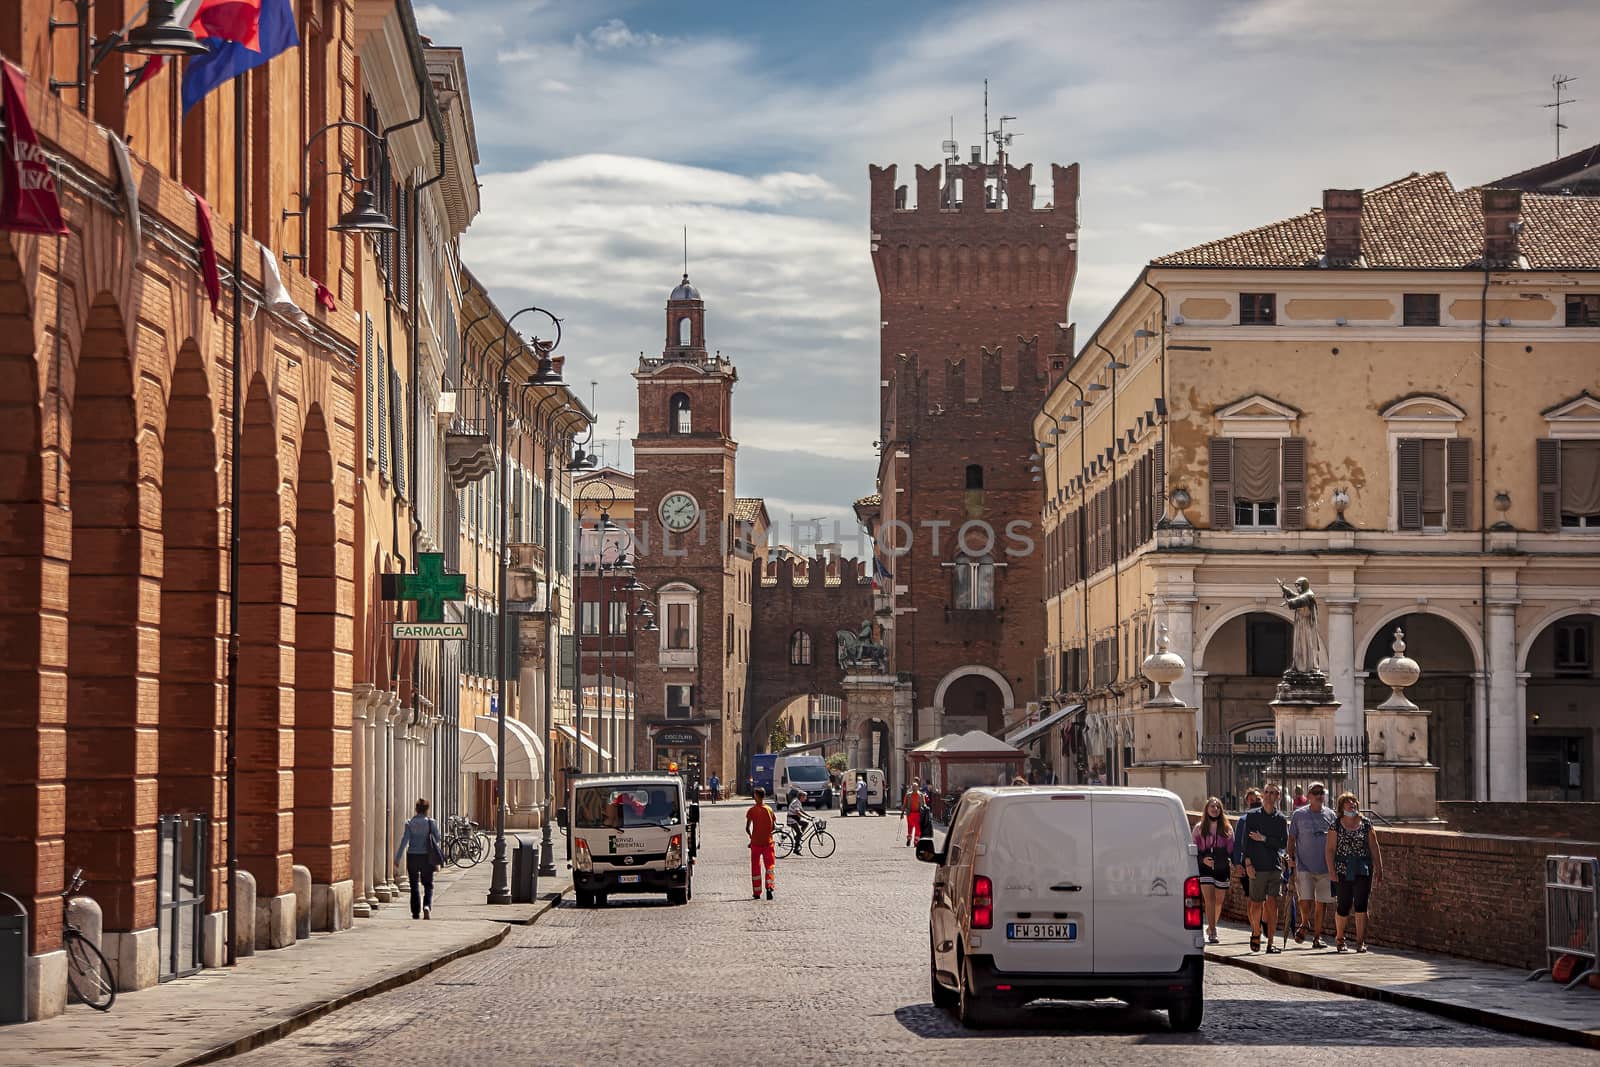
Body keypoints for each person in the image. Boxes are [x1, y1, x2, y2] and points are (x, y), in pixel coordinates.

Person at [1326, 791, 1382, 953]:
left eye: (1354, 802)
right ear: (1342, 807)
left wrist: (1379, 867)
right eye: (1348, 802)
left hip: (1362, 868)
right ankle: (1340, 939)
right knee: (1344, 904)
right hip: (1342, 869)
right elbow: (1330, 850)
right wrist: (1331, 871)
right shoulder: (1335, 825)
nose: (1352, 804)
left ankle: (1360, 942)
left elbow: (1373, 846)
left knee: (1361, 904)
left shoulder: (1366, 824)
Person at [1238, 782, 1289, 953]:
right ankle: (1256, 932)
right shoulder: (1252, 816)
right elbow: (1246, 842)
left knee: (1273, 904)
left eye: (1273, 793)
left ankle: (1270, 942)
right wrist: (1248, 863)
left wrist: (1265, 839)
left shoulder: (1281, 819)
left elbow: (1283, 843)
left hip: (1274, 866)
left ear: (1278, 797)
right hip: (1257, 866)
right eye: (1266, 792)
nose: (1268, 795)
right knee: (1256, 903)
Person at [1287, 781, 1336, 948]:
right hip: (1304, 865)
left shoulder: (1330, 815)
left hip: (1325, 866)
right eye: (1316, 793)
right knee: (1305, 901)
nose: (1319, 795)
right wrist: (1290, 857)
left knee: (1321, 903)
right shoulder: (1298, 815)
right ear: (1308, 796)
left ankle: (1317, 937)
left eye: (1321, 792)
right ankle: (1305, 921)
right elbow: (1292, 838)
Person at [393, 798, 442, 921]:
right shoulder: (431, 822)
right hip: (426, 857)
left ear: (416, 809)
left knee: (414, 885)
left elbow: (405, 840)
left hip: (412, 856)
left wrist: (398, 858)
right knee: (428, 884)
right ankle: (426, 906)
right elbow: (438, 838)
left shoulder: (410, 823)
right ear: (427, 810)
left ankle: (415, 912)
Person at [1192, 797, 1233, 944]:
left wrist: (1238, 865)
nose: (1214, 809)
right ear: (1206, 809)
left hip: (1221, 867)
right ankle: (1213, 931)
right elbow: (1193, 848)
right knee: (1209, 899)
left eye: (1217, 807)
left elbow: (1231, 850)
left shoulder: (1227, 828)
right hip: (1205, 868)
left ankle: (1211, 925)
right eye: (1212, 806)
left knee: (1218, 901)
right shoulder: (1199, 828)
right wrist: (1203, 859)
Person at [745, 787, 777, 900]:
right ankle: (769, 887)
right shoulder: (769, 809)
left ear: (757, 796)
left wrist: (752, 837)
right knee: (770, 867)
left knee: (755, 867)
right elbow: (773, 826)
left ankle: (757, 892)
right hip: (768, 843)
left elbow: (747, 827)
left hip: (756, 844)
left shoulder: (752, 810)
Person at [902, 778, 922, 846]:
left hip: (916, 814)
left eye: (915, 787)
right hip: (912, 814)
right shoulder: (910, 795)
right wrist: (902, 813)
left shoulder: (920, 795)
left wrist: (902, 813)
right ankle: (914, 841)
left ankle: (911, 839)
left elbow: (904, 804)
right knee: (917, 828)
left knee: (911, 827)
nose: (914, 789)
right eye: (913, 787)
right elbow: (904, 804)